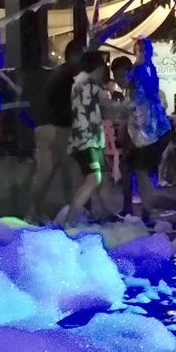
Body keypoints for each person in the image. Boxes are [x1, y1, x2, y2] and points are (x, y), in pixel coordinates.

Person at [27, 39, 84, 221]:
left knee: (46, 172)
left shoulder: (59, 73)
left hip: (44, 125)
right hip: (58, 127)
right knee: (72, 170)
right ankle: (72, 214)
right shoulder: (72, 75)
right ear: (75, 55)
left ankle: (33, 211)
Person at [120, 37, 172, 226]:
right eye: (137, 50)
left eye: (143, 50)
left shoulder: (145, 69)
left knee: (140, 167)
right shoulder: (141, 68)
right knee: (134, 167)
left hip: (148, 128)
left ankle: (145, 209)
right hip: (141, 126)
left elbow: (147, 93)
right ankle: (138, 208)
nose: (140, 54)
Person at [63, 47, 108, 224]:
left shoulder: (78, 83)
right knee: (94, 178)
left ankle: (102, 215)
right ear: (98, 68)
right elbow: (107, 106)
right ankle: (68, 221)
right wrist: (128, 107)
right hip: (87, 139)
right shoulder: (88, 84)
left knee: (100, 178)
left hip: (86, 139)